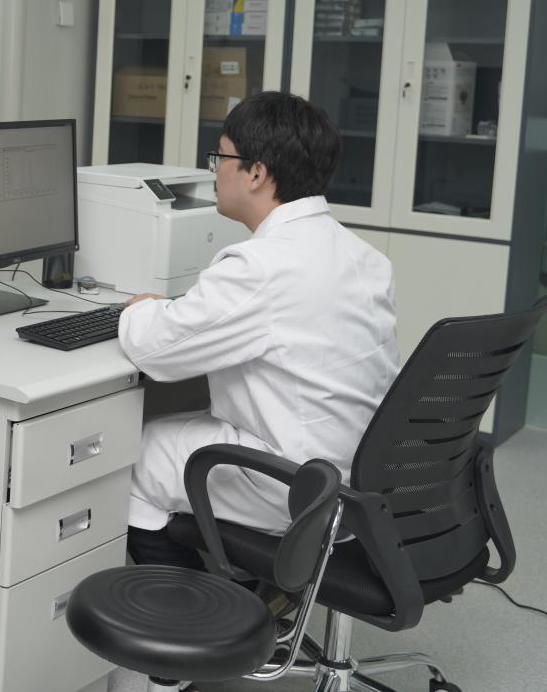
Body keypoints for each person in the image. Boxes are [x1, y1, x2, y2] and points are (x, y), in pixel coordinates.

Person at [120, 91, 398, 572]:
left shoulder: (263, 266)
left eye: (220, 158)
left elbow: (155, 349)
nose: (214, 172)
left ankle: (192, 610)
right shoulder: (363, 256)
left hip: (295, 484)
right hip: (358, 476)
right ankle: (243, 590)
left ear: (256, 173)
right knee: (176, 429)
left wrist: (143, 308)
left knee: (132, 456)